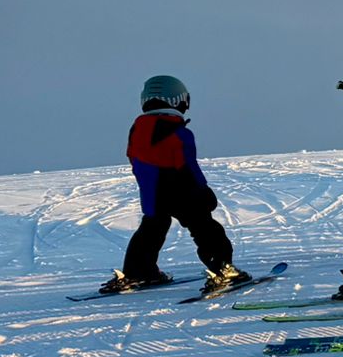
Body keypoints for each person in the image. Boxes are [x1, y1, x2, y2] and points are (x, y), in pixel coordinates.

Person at [101, 76, 250, 294]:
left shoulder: (137, 130)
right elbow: (188, 166)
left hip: (152, 192)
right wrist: (203, 191)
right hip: (182, 190)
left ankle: (139, 271)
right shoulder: (178, 132)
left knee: (152, 228)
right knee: (205, 228)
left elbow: (137, 162)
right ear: (178, 100)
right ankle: (223, 269)